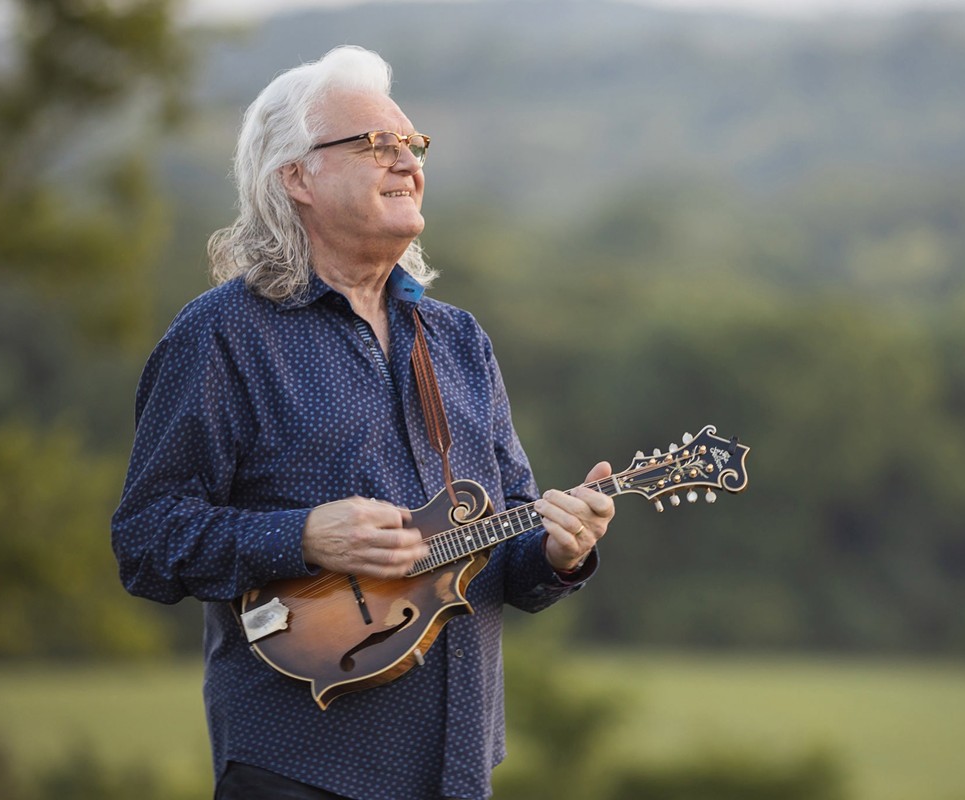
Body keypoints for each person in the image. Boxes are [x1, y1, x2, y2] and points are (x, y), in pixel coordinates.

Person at [111, 45, 615, 800]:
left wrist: (560, 551)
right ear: (297, 176)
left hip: (458, 765)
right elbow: (146, 541)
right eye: (377, 144)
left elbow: (505, 552)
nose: (408, 161)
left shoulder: (459, 340)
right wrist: (302, 535)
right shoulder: (221, 336)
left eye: (414, 145)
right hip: (297, 766)